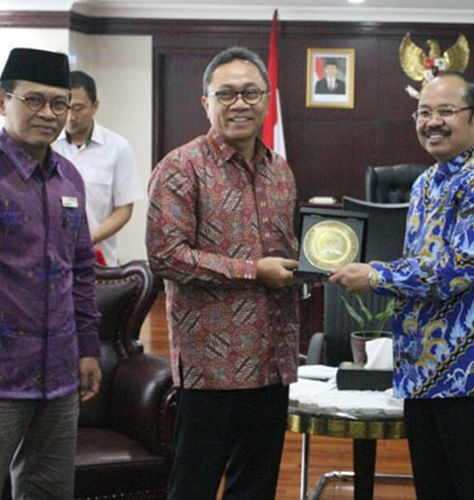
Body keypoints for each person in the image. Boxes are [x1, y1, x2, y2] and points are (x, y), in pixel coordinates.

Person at [330, 72, 474, 499]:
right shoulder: (425, 184)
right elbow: (423, 266)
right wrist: (383, 268)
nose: (431, 121)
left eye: (445, 111)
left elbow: (454, 272)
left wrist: (378, 276)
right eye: (423, 112)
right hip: (425, 372)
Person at [146, 46, 299, 500]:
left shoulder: (281, 172)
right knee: (192, 486)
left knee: (255, 488)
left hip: (271, 363)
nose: (239, 104)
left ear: (267, 100)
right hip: (212, 368)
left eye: (251, 93)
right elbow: (166, 255)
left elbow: (287, 253)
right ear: (206, 102)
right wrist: (254, 271)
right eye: (227, 94)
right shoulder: (180, 168)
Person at [0, 47, 101, 498]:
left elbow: (80, 269)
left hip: (59, 376)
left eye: (59, 103)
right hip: (3, 373)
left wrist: (87, 348)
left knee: (48, 491)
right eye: (33, 100)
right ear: (3, 102)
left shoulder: (70, 179)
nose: (48, 113)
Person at [52, 70, 143, 267]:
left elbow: (124, 210)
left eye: (78, 108)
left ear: (95, 106)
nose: (71, 117)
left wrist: (87, 239)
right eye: (65, 108)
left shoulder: (118, 148)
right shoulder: (47, 146)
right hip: (51, 259)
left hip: (99, 260)